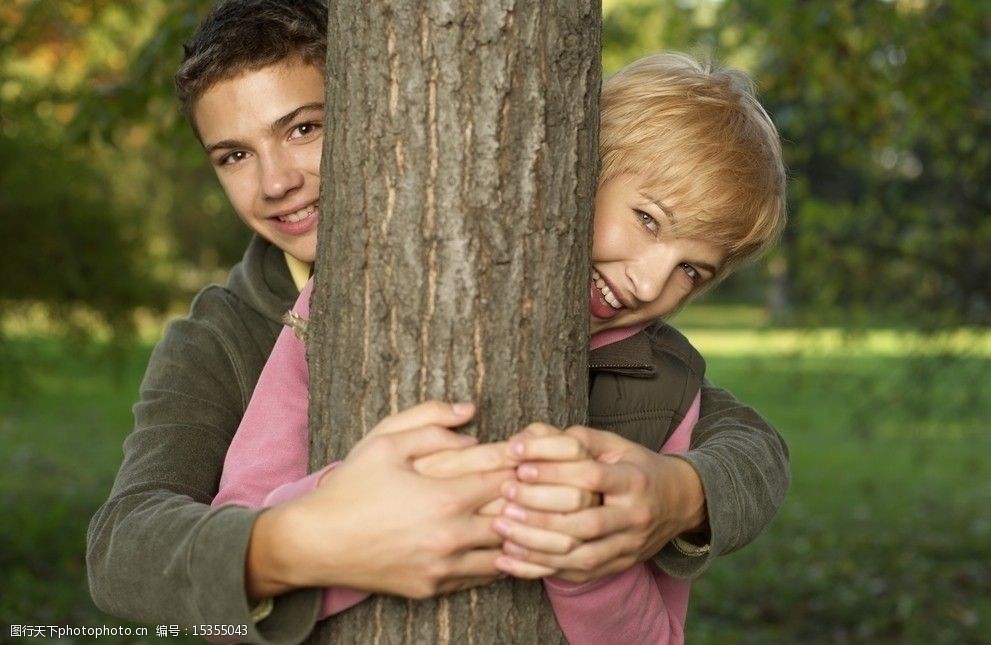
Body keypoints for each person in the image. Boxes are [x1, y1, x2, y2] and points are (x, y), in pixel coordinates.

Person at [86, 2, 789, 643]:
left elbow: (747, 444)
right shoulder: (228, 334)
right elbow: (126, 546)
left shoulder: (648, 365)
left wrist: (673, 496)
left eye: (304, 128)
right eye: (233, 155)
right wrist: (311, 541)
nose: (275, 182)